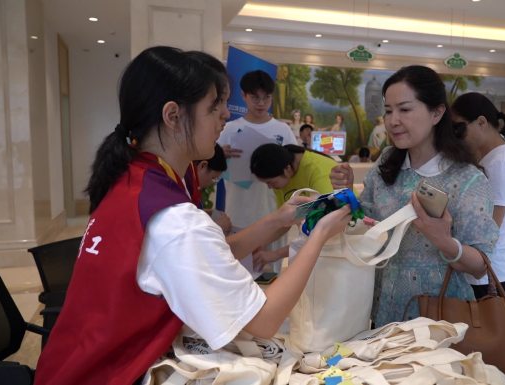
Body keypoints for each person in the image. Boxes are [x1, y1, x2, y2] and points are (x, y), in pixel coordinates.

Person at [33, 47, 352, 385]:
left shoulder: (141, 177)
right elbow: (262, 319)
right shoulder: (173, 218)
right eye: (214, 107)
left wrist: (279, 219)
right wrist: (318, 236)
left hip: (76, 361)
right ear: (172, 115)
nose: (225, 117)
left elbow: (205, 256)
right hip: (107, 372)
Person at [330, 65, 499, 327]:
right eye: (388, 111)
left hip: (439, 316)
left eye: (405, 109)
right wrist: (348, 192)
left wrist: (444, 240)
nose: (392, 120)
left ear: (437, 113)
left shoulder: (468, 180)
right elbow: (367, 224)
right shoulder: (387, 162)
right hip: (384, 309)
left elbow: (480, 266)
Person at [451, 92, 505, 298]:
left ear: (481, 122)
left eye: (459, 127)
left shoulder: (501, 163)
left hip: (490, 274)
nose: (456, 135)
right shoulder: (491, 158)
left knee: (481, 330)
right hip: (480, 269)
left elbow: (491, 228)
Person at [217, 70, 298, 237]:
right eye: (255, 98)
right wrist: (219, 155)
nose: (261, 103)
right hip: (237, 214)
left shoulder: (282, 130)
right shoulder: (229, 130)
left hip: (273, 214)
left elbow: (295, 170)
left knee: (268, 261)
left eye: (266, 97)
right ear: (243, 95)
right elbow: (211, 170)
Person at [250, 143, 337, 270]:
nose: (269, 187)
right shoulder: (281, 175)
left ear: (287, 169)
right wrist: (260, 243)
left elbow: (325, 229)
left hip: (339, 243)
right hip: (320, 243)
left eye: (271, 182)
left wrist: (275, 254)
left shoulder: (318, 170)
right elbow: (284, 221)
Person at [194, 143, 232, 234]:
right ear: (203, 166)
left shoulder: (193, 188)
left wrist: (204, 212)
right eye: (213, 178)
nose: (213, 183)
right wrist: (217, 227)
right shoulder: (180, 190)